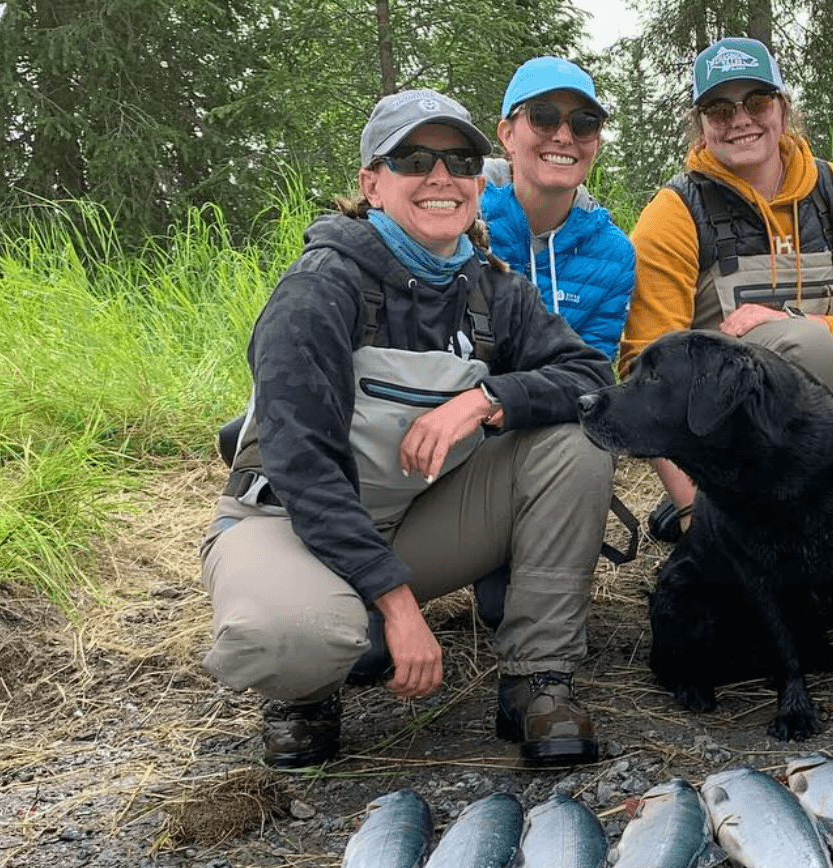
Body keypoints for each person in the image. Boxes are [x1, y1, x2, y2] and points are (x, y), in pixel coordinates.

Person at [202, 87, 615, 769]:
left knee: (574, 443)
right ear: (371, 183)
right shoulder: (318, 288)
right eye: (413, 158)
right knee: (293, 639)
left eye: (459, 161)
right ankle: (304, 691)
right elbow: (301, 469)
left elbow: (591, 378)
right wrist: (397, 607)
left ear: (480, 184)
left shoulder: (492, 288)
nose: (440, 177)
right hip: (290, 524)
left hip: (416, 516)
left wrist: (485, 398)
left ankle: (539, 680)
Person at [622, 36, 833, 543]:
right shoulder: (674, 212)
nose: (740, 118)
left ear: (783, 109)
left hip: (803, 433)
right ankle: (717, 507)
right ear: (700, 125)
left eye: (757, 101)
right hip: (711, 437)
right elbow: (644, 368)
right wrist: (697, 516)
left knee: (806, 343)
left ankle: (811, 520)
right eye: (719, 108)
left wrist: (789, 322)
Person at [481, 56, 634, 359]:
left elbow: (591, 374)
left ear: (597, 144)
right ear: (507, 134)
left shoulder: (612, 254)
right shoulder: (461, 218)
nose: (564, 137)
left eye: (584, 123)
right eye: (543, 117)